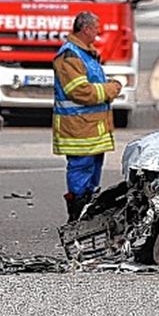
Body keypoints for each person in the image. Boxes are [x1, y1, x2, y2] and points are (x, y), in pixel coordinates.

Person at [52, 11, 122, 221]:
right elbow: (81, 92)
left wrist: (109, 86)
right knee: (81, 169)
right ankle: (77, 214)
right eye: (96, 28)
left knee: (92, 172)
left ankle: (88, 212)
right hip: (78, 128)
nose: (98, 32)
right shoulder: (70, 56)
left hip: (91, 128)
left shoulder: (85, 53)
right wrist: (111, 89)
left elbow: (91, 84)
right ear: (86, 29)